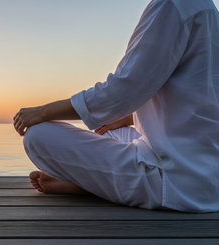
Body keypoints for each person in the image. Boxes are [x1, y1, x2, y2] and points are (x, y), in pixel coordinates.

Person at [13, 0, 219, 213]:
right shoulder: (207, 10)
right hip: (207, 175)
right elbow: (200, 103)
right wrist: (128, 119)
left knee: (38, 135)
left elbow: (122, 91)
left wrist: (42, 112)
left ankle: (89, 185)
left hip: (176, 181)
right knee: (115, 131)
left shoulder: (172, 5)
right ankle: (94, 182)